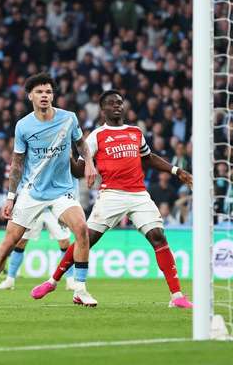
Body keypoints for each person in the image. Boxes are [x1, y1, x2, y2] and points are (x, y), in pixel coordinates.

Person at [31, 90, 193, 308]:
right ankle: (53, 281)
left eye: (119, 102)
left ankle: (177, 296)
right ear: (103, 109)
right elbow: (80, 170)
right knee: (86, 239)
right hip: (112, 195)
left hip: (138, 194)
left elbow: (149, 158)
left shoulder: (135, 132)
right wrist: (65, 155)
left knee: (158, 236)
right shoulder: (97, 136)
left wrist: (176, 171)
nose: (116, 105)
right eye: (111, 103)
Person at [0, 73, 97, 309]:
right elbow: (17, 164)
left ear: (53, 96)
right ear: (30, 96)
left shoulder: (68, 118)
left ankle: (80, 290)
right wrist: (11, 197)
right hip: (32, 192)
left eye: (48, 92)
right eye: (39, 92)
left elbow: (81, 144)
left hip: (62, 191)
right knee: (9, 242)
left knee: (81, 229)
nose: (44, 96)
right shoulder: (23, 126)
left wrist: (88, 162)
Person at [0, 208, 77, 291]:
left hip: (53, 206)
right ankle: (9, 280)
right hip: (34, 205)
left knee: (64, 241)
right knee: (21, 241)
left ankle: (70, 281)